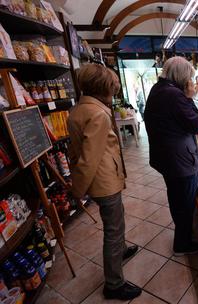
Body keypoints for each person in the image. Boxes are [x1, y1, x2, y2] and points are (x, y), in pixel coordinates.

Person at [67, 64, 141, 301]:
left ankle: (119, 252)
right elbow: (89, 159)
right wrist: (77, 190)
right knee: (113, 229)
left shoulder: (79, 109)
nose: (114, 94)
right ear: (102, 89)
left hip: (102, 181)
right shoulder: (98, 114)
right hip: (104, 182)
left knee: (115, 223)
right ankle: (114, 284)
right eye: (112, 89)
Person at [144, 57, 198, 255]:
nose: (191, 81)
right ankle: (182, 244)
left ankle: (183, 237)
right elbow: (197, 126)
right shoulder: (175, 95)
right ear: (181, 76)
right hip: (179, 161)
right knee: (184, 204)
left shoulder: (157, 89)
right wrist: (189, 97)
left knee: (177, 199)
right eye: (189, 77)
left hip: (166, 158)